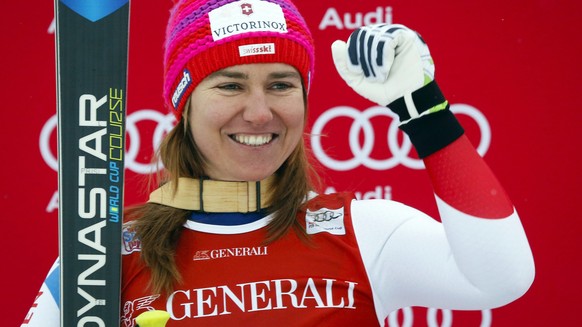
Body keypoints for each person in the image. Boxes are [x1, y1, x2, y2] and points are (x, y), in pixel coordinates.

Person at [24, 0, 535, 326]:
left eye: (281, 84)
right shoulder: (104, 250)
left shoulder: (363, 229)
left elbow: (502, 279)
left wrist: (423, 112)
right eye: (230, 84)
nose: (260, 112)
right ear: (185, 103)